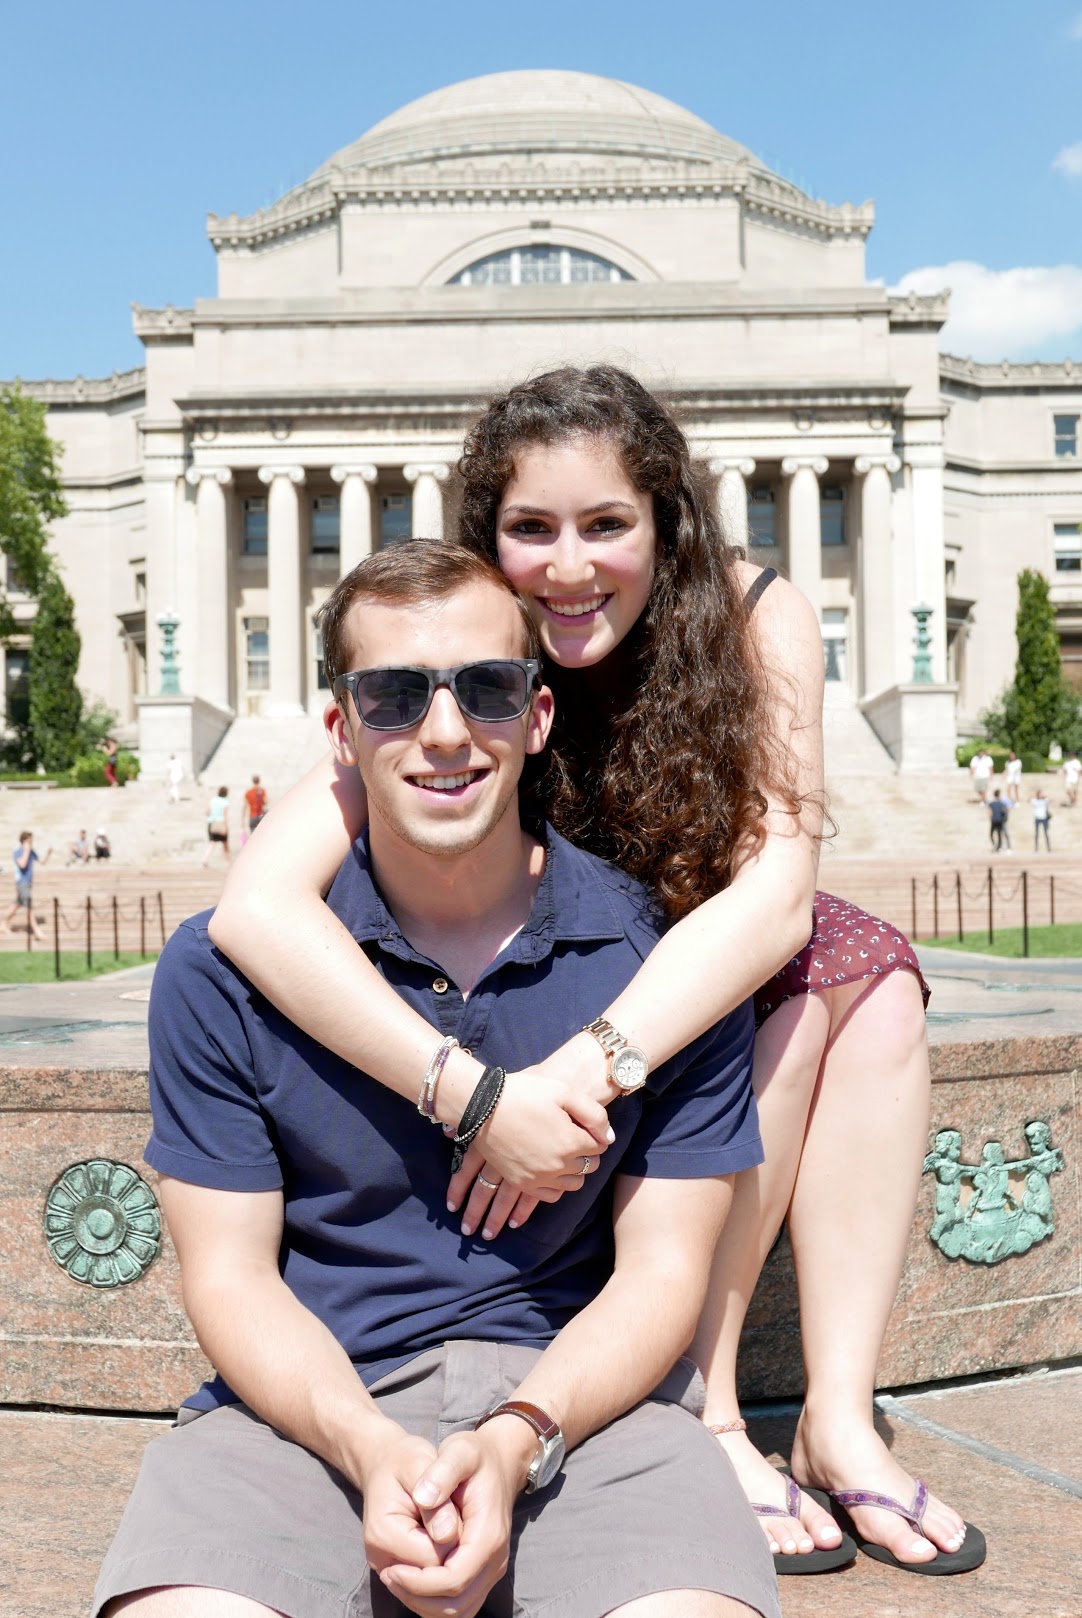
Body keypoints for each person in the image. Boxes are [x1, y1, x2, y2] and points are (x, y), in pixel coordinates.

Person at [209, 365, 983, 1575]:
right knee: (780, 1023)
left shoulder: (753, 614)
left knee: (868, 985)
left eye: (604, 524)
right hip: (547, 948)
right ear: (489, 534)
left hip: (692, 950)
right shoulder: (467, 649)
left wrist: (589, 1065)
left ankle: (836, 1416)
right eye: (531, 528)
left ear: (663, 522)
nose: (567, 568)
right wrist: (475, 1094)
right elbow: (255, 906)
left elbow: (774, 896)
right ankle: (706, 1405)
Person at [92, 544, 776, 1618]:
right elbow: (229, 1279)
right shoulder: (217, 974)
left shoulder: (668, 967)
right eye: (394, 695)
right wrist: (366, 1443)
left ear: (538, 717)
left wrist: (515, 1438)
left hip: (585, 1414)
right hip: (306, 1412)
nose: (446, 731)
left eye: (487, 687)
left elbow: (660, 1277)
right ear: (342, 729)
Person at [2, 830, 50, 939]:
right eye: (30, 839)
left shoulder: (31, 851)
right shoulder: (18, 851)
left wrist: (48, 853)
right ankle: (37, 931)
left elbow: (43, 862)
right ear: (24, 840)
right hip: (21, 883)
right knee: (30, 907)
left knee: (16, 905)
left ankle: (3, 924)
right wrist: (27, 850)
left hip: (28, 882)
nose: (31, 841)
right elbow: (22, 864)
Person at [202, 786, 230, 866]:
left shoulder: (213, 800)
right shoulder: (225, 802)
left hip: (212, 823)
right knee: (225, 844)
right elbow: (225, 815)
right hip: (220, 823)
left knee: (212, 843)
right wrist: (225, 827)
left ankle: (205, 859)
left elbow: (207, 812)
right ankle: (228, 862)